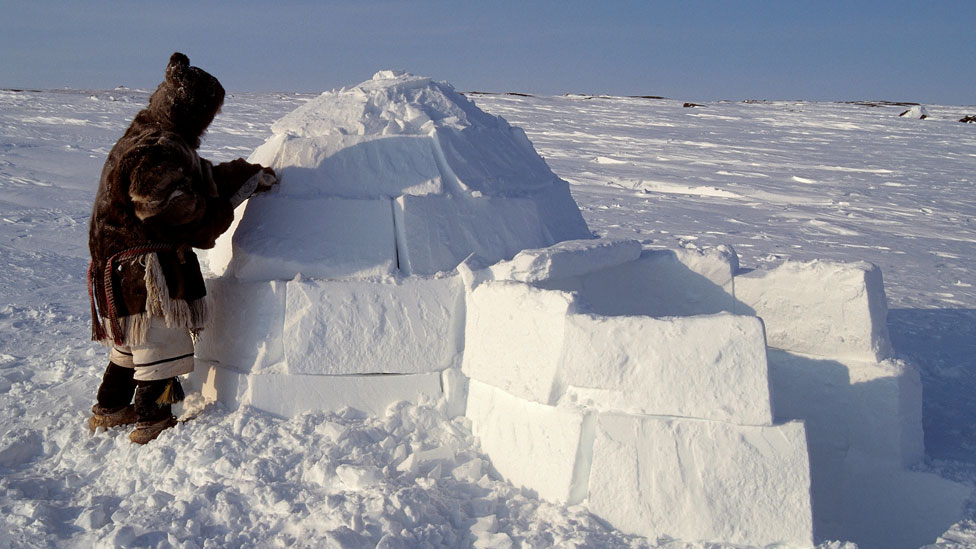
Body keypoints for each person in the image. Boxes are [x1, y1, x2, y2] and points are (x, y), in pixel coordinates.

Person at [87, 52, 277, 444]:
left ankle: (110, 407)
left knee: (132, 341)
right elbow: (163, 200)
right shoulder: (160, 145)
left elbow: (197, 178)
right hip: (145, 270)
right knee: (161, 343)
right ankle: (152, 417)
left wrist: (242, 175)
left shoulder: (146, 136)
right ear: (192, 111)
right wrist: (210, 215)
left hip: (118, 267)